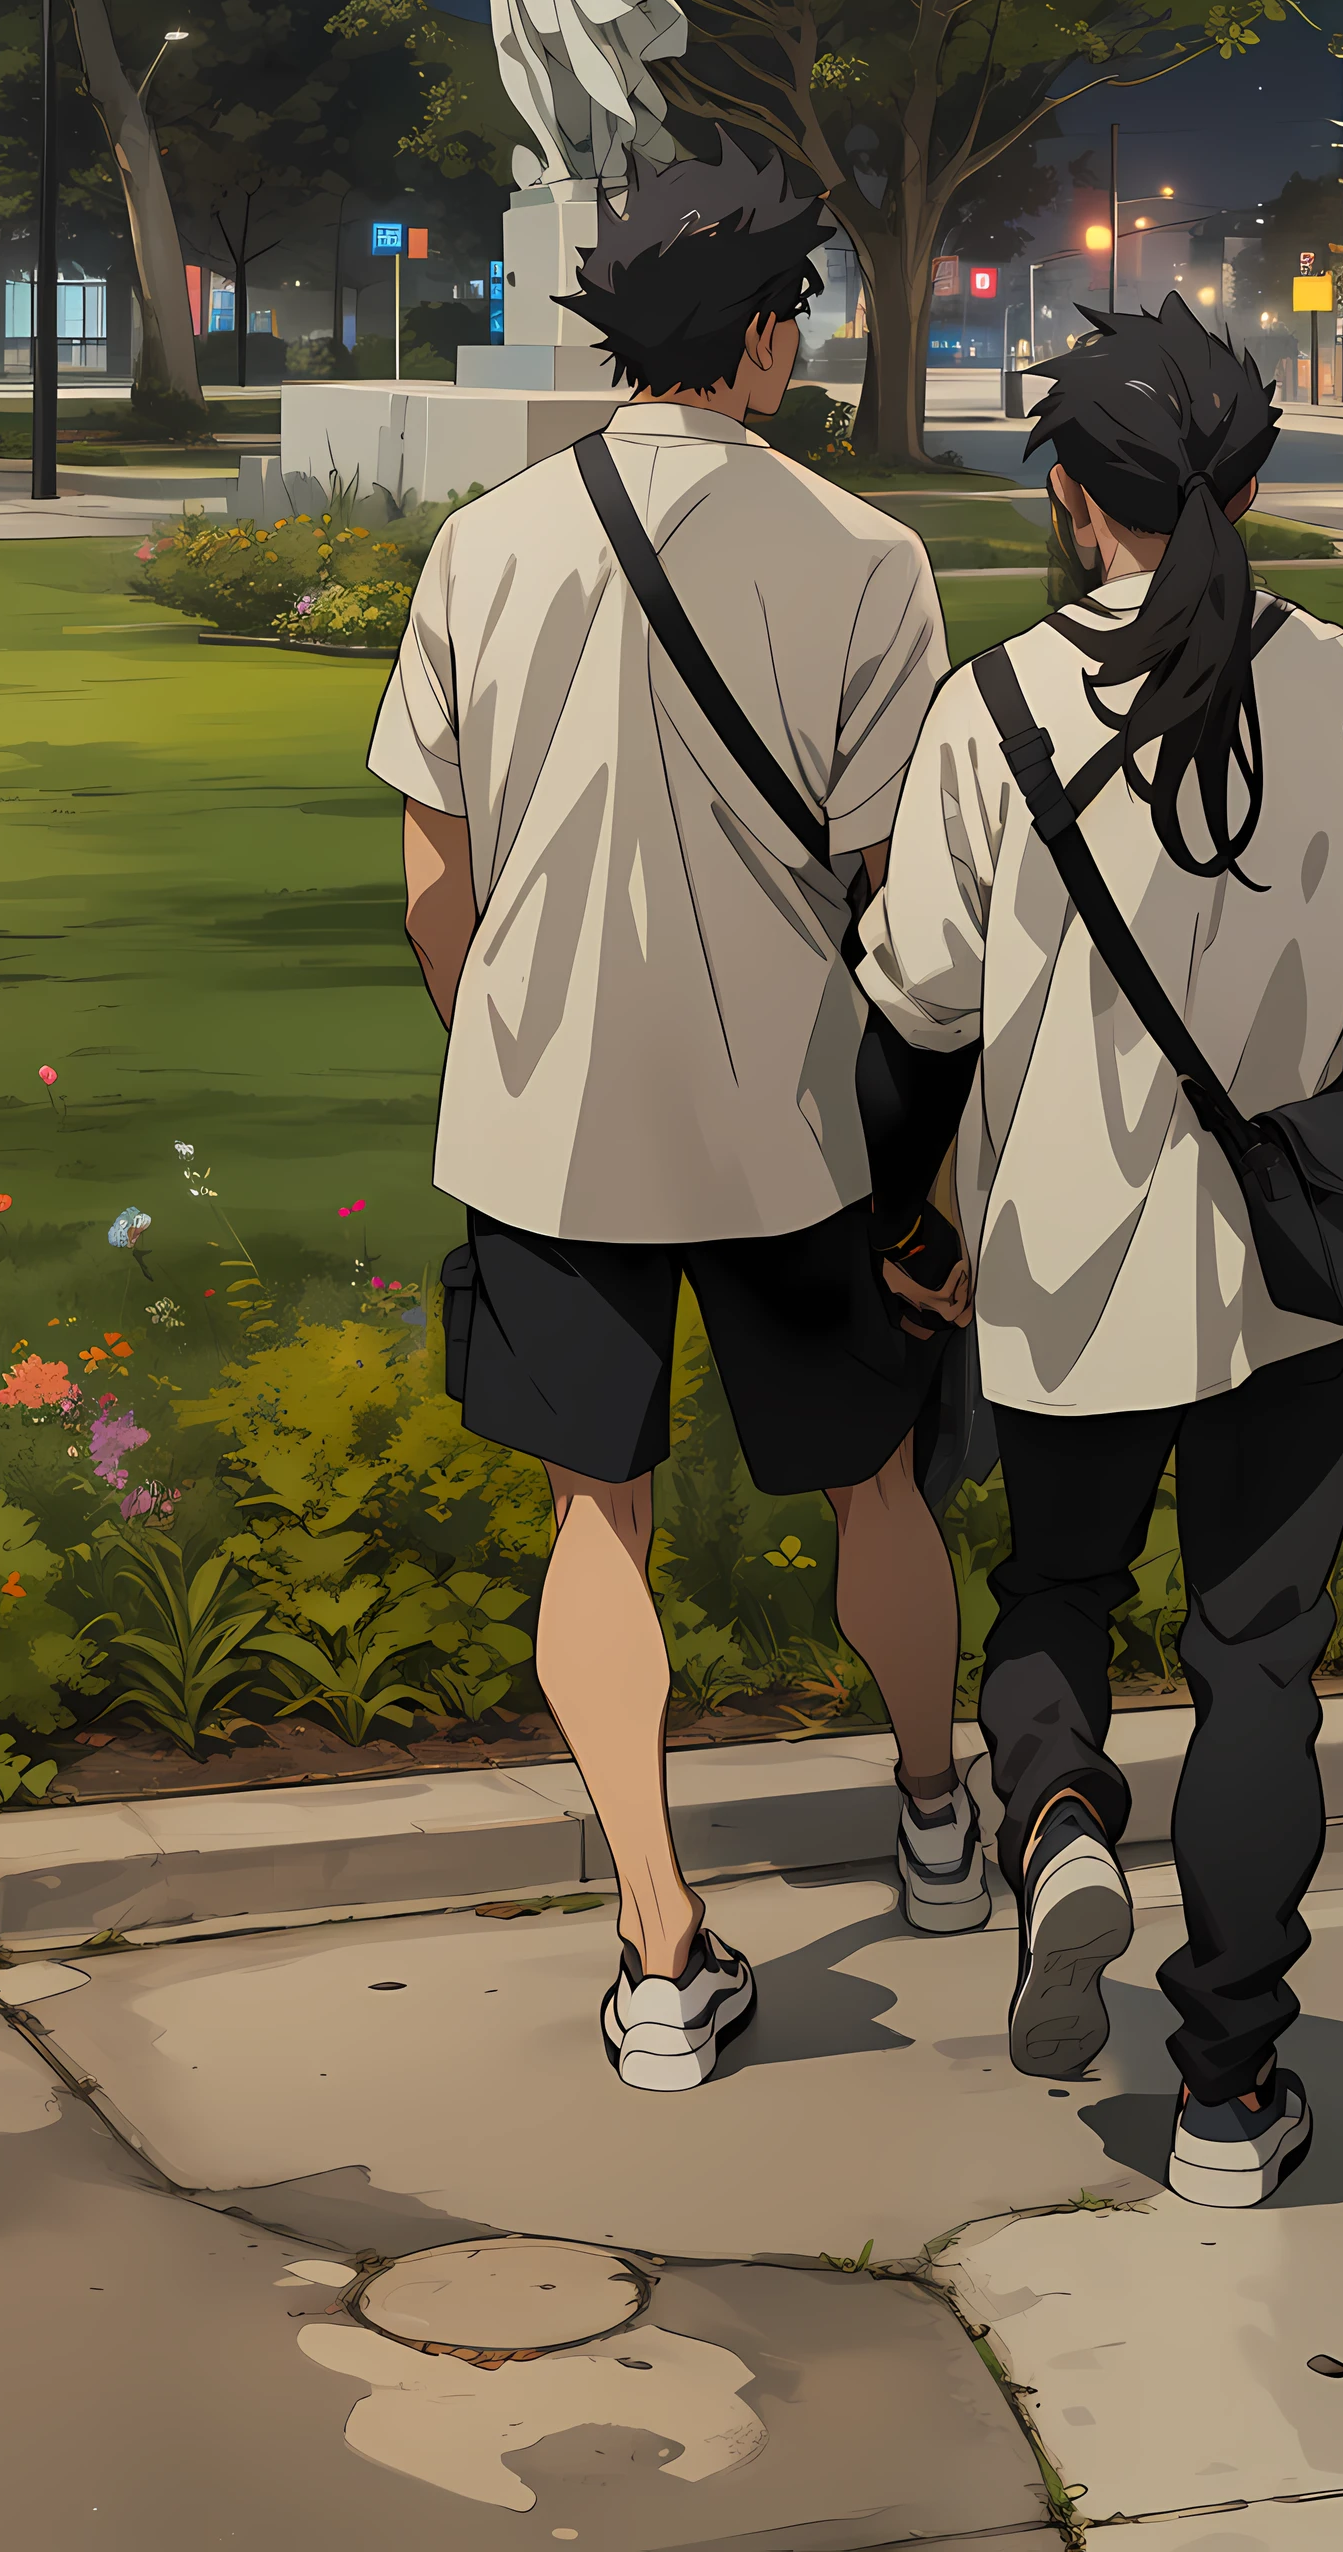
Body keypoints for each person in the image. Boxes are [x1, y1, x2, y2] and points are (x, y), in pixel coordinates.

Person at [854, 298, 1343, 2208]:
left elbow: (922, 998)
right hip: (1298, 1267)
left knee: (1055, 1591)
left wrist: (912, 1210)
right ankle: (1226, 2090)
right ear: (1253, 484)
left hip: (1064, 1257)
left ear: (1063, 490)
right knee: (1259, 1665)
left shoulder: (996, 706)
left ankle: (1059, 1822)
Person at [370, 140, 983, 2101]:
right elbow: (915, 902)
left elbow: (428, 874)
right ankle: (937, 1811)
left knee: (593, 1513)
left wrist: (505, 1041)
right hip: (794, 1119)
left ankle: (655, 1940)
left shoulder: (484, 545)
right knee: (871, 1479)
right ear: (771, 331)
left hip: (554, 1121)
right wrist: (938, 1157)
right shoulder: (868, 558)